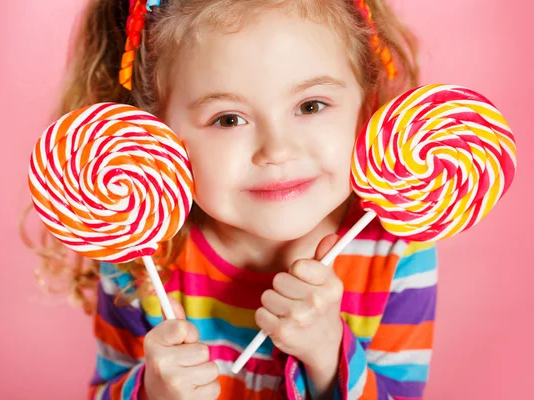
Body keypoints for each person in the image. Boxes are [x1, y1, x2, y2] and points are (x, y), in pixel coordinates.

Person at [25, 0, 437, 398]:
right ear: (155, 131)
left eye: (311, 106)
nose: (276, 150)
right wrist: (154, 391)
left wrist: (328, 357)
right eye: (228, 119)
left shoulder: (395, 249)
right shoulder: (138, 253)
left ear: (365, 104)